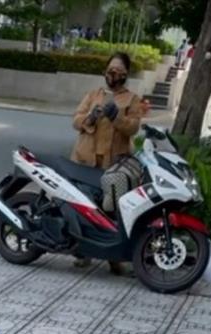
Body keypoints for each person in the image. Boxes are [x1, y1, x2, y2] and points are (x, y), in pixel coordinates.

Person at [70, 51, 142, 274]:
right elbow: (76, 121)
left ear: (126, 74)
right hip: (85, 161)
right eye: (111, 69)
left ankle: (114, 258)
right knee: (84, 207)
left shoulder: (132, 99)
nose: (114, 74)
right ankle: (83, 252)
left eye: (119, 70)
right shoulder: (94, 94)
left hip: (113, 166)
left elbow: (133, 128)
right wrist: (90, 117)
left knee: (111, 210)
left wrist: (116, 117)